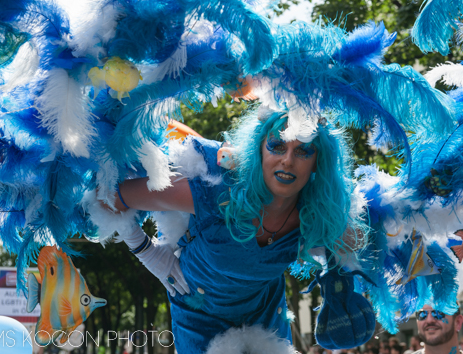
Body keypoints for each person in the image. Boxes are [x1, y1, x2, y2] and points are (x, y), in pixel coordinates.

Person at [101, 109, 369, 354]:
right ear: (259, 151)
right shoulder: (214, 191)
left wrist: (341, 293)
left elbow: (366, 241)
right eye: (276, 146)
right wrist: (145, 251)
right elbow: (110, 198)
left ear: (317, 162)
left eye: (303, 151)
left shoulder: (320, 213)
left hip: (266, 315)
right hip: (199, 316)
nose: (288, 160)